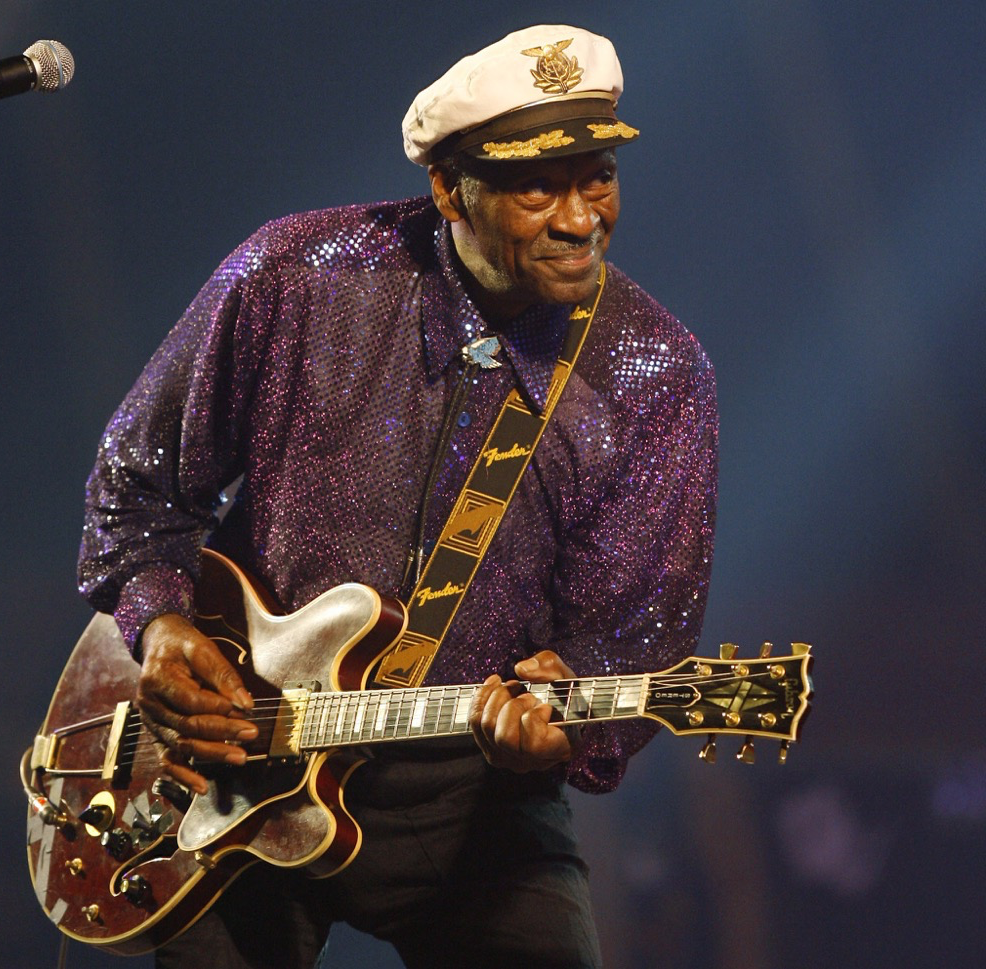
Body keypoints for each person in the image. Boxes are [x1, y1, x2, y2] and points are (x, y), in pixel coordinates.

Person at [78, 24, 717, 969]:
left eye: (599, 179)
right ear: (450, 189)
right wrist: (162, 626)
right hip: (232, 767)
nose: (582, 219)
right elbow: (137, 483)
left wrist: (560, 725)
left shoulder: (654, 371)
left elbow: (632, 635)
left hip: (476, 800)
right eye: (539, 189)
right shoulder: (295, 278)